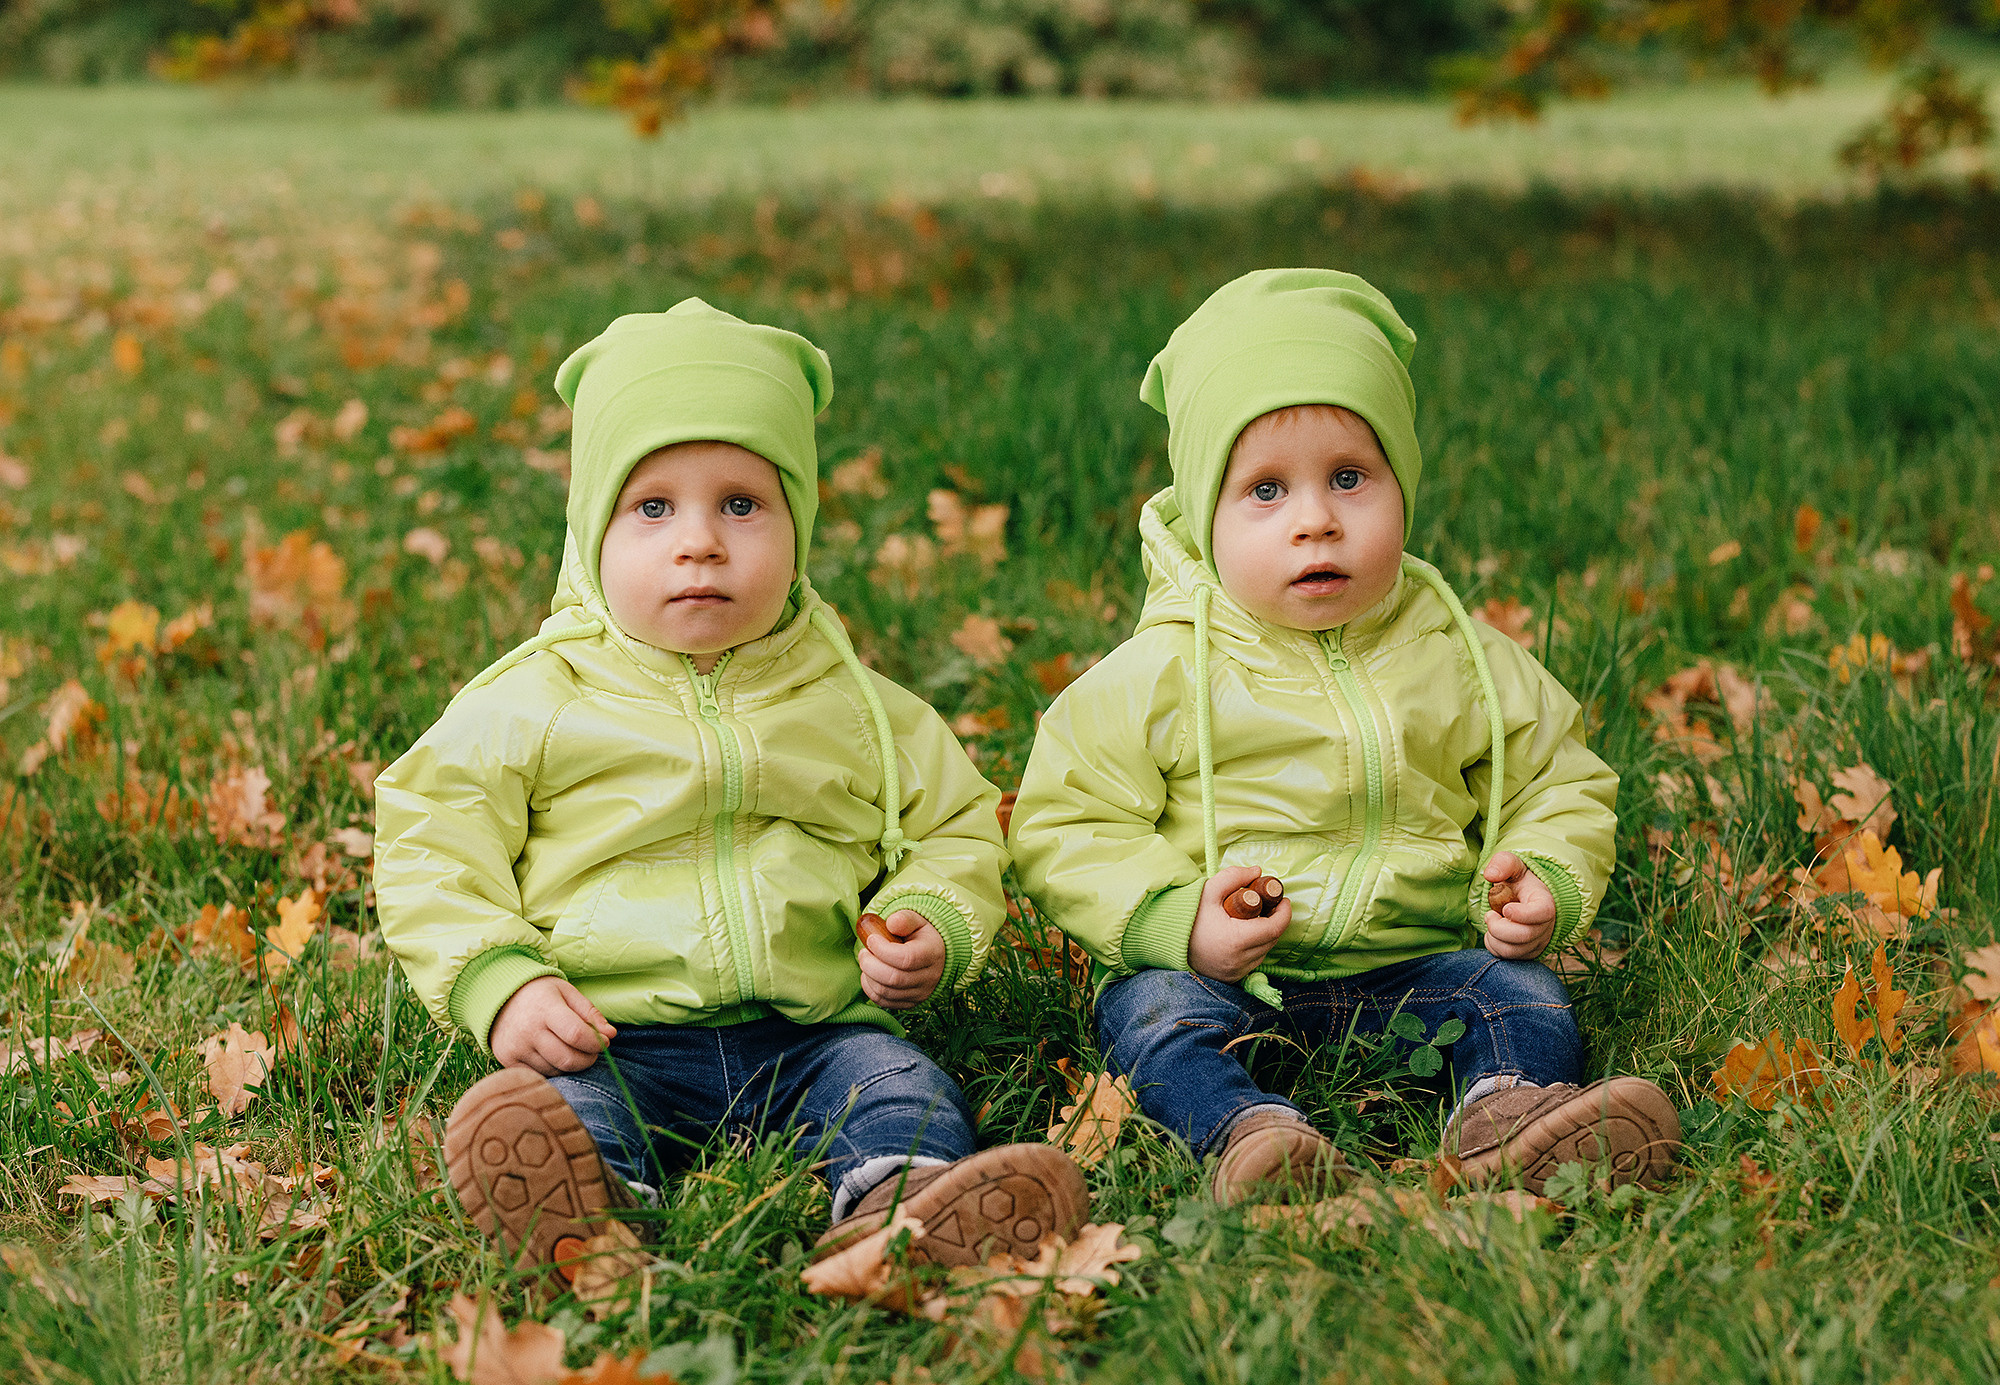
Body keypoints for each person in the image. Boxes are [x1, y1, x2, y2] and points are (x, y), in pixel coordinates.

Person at [375, 300, 1084, 1277]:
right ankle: (588, 1208)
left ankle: (900, 1199)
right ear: (591, 533)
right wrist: (498, 978)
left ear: (799, 527)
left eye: (741, 505)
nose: (699, 541)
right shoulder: (532, 699)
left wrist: (930, 916)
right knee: (564, 1106)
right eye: (652, 507)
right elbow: (431, 835)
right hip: (608, 1030)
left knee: (899, 1085)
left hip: (814, 1029)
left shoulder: (852, 703)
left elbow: (957, 824)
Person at [1008, 269, 1679, 1206]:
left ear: (1402, 486)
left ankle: (1506, 1113)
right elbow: (1066, 821)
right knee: (1147, 1013)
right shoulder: (1157, 674)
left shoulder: (1459, 654)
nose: (1316, 518)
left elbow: (1555, 778)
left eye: (1350, 479)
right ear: (1204, 516)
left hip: (1419, 970)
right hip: (1237, 986)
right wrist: (1175, 918)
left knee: (1525, 997)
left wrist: (1543, 873)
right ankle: (1248, 1134)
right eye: (1266, 490)